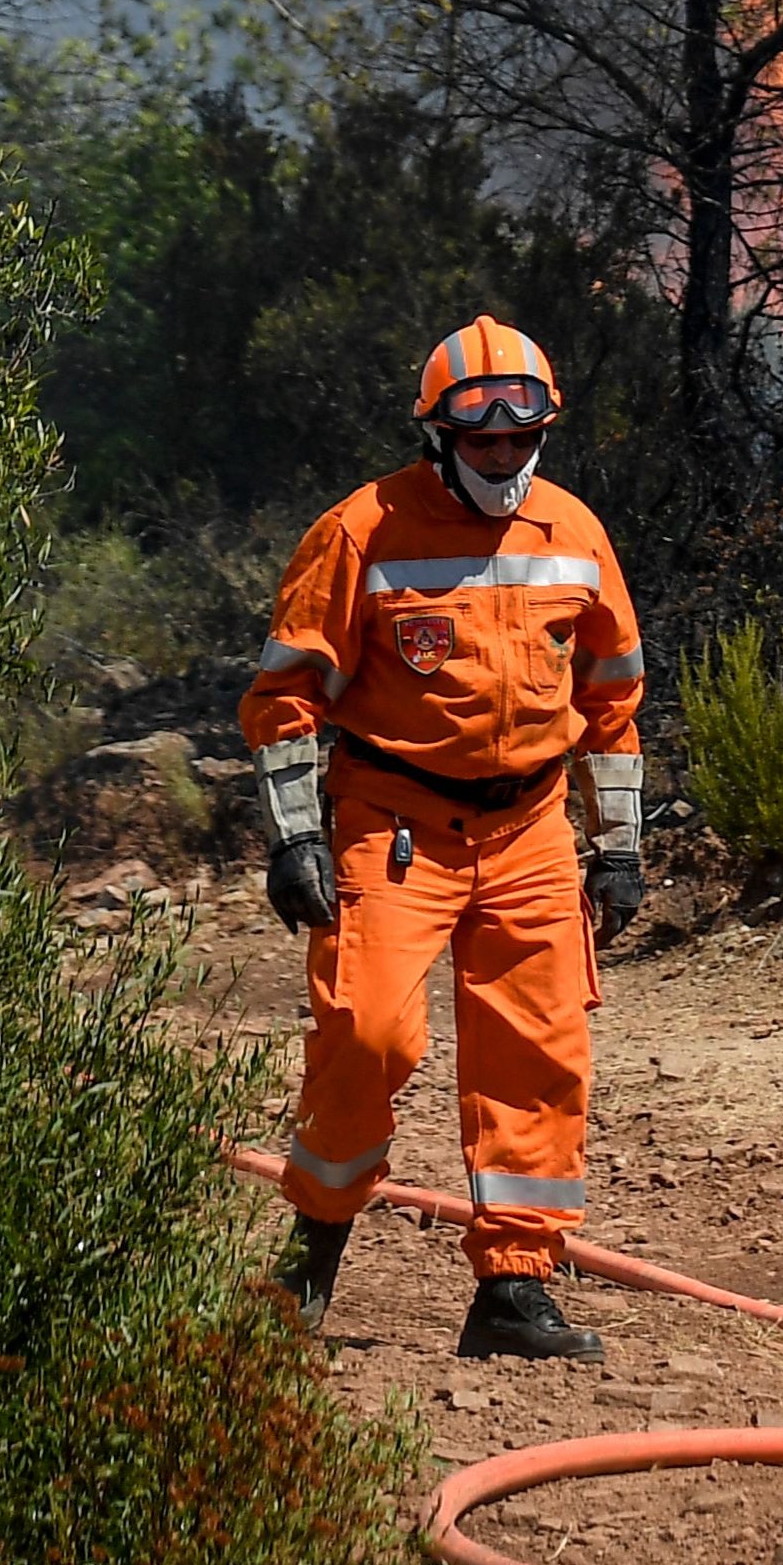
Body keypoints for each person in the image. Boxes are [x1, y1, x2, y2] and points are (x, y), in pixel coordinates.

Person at [241, 316, 646, 1361]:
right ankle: (311, 1256)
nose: (503, 454)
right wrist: (296, 837)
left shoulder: (575, 535)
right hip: (396, 823)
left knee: (540, 1050)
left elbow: (612, 697)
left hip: (530, 831)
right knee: (367, 1034)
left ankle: (514, 1288)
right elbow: (287, 696)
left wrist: (621, 845)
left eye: (521, 438)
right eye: (482, 438)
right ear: (439, 435)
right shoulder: (361, 532)